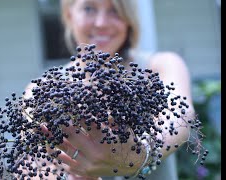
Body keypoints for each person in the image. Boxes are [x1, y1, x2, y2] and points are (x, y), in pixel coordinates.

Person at [24, 0, 194, 179]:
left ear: (129, 19)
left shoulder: (159, 66)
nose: (101, 23)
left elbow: (180, 115)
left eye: (115, 11)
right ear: (69, 14)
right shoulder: (42, 89)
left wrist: (141, 154)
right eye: (89, 8)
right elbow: (33, 165)